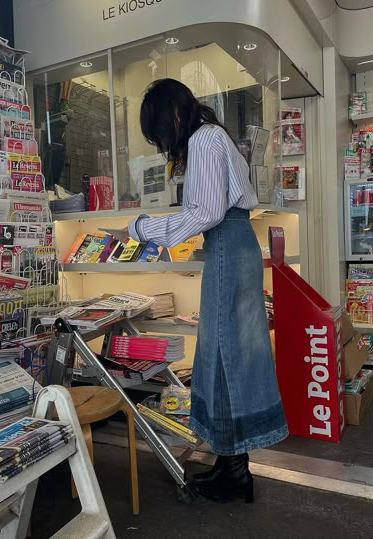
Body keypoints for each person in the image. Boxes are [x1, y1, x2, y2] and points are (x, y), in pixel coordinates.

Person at [119, 78, 288, 503]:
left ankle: (236, 472)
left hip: (228, 246)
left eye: (157, 129)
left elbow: (206, 212)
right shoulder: (211, 138)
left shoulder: (205, 141)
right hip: (233, 245)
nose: (160, 140)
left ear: (173, 114)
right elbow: (210, 211)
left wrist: (143, 227)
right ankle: (232, 466)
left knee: (227, 356)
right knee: (226, 356)